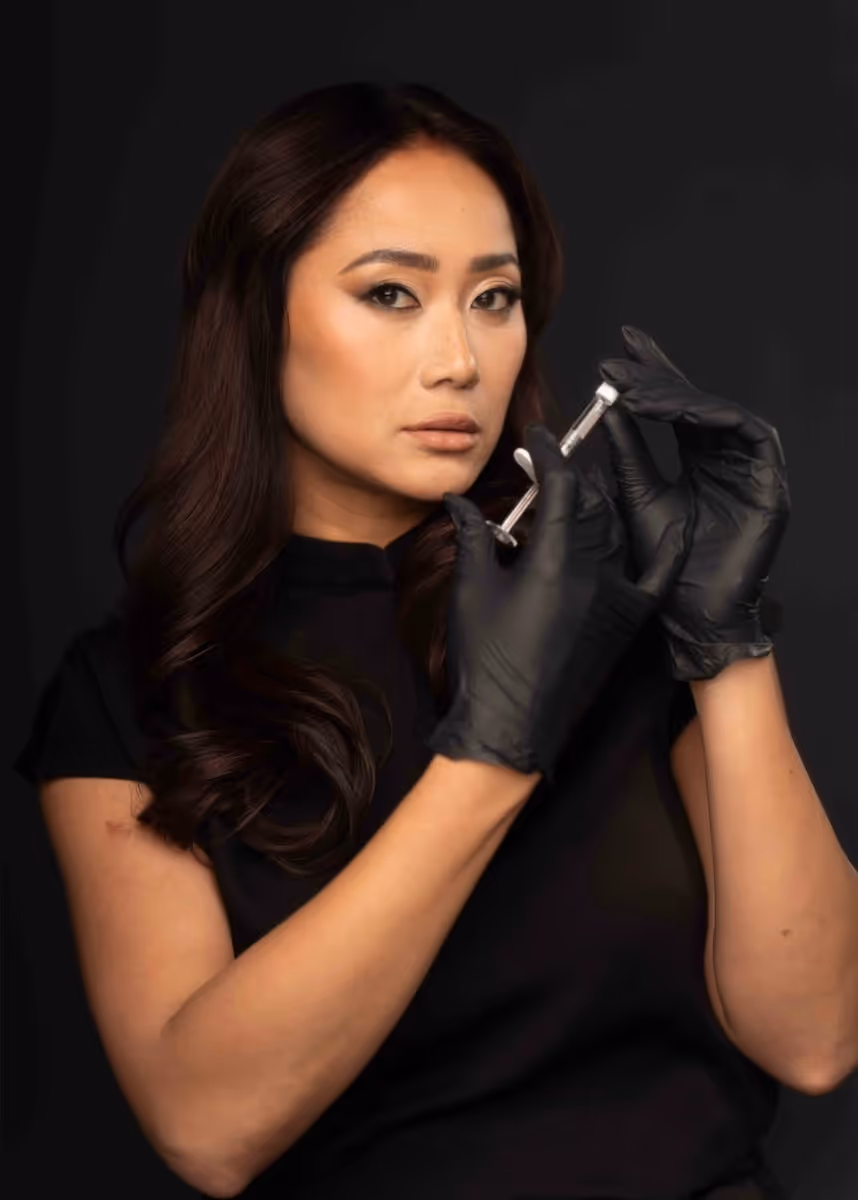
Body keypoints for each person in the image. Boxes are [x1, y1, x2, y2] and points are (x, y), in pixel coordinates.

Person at [13, 81, 854, 1200]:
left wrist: (726, 639)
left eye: (494, 299)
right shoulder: (128, 692)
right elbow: (207, 1128)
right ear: (257, 314)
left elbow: (815, 1036)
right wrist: (494, 753)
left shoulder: (619, 616)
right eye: (392, 294)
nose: (459, 360)